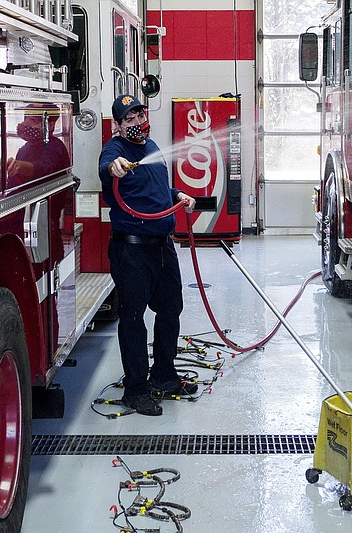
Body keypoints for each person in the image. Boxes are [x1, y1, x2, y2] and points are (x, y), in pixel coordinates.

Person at [98, 94, 197, 416]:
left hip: (162, 246)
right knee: (133, 317)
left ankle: (164, 376)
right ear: (118, 125)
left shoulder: (151, 147)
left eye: (140, 115)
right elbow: (107, 167)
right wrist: (113, 167)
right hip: (132, 250)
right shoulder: (115, 150)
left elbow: (156, 189)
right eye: (129, 119)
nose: (137, 122)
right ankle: (136, 389)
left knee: (170, 309)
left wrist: (178, 195)